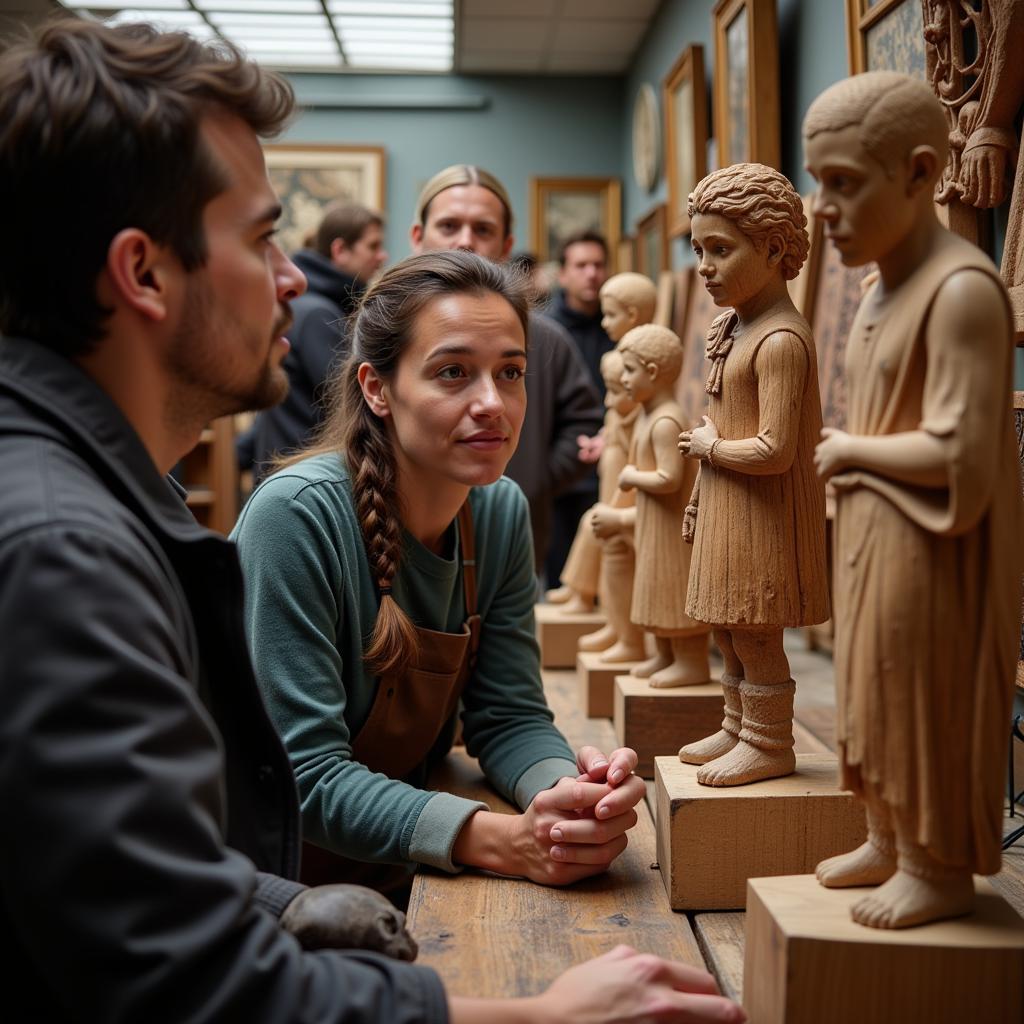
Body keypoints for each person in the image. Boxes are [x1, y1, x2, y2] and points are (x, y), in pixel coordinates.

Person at [0, 17, 748, 1024]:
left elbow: (143, 889)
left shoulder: (102, 505)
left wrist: (552, 788)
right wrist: (537, 1008)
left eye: (509, 373)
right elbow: (180, 969)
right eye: (264, 238)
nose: (296, 278)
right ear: (143, 272)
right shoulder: (64, 549)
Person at [232, 249, 648, 898]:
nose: (492, 403)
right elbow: (301, 774)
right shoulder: (295, 519)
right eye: (453, 372)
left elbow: (508, 714)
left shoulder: (500, 512)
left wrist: (566, 794)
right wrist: (501, 840)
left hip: (401, 869)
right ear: (377, 389)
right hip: (269, 888)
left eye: (510, 372)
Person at [805, 71, 1021, 930]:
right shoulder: (874, 291)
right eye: (818, 183)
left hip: (936, 545)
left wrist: (853, 449)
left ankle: (936, 864)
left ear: (923, 173)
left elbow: (959, 448)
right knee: (871, 688)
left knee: (923, 692)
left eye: (845, 183)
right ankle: (886, 837)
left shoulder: (964, 291)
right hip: (874, 531)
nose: (825, 208)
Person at [676, 163, 829, 788]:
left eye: (721, 249)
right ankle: (737, 725)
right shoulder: (732, 328)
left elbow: (775, 450)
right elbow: (716, 419)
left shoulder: (781, 341)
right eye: (698, 250)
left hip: (763, 512)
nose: (705, 266)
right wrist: (696, 496)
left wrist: (710, 453)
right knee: (727, 624)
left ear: (772, 248)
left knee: (756, 629)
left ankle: (769, 742)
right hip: (726, 505)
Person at [409, 164, 603, 575]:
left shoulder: (547, 340)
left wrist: (534, 479)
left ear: (505, 244)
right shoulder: (389, 332)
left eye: (482, 229)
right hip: (404, 550)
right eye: (448, 226)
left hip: (515, 550)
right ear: (418, 238)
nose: (465, 241)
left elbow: (584, 422)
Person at [239, 201, 388, 479]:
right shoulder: (319, 315)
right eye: (373, 246)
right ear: (340, 250)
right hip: (305, 480)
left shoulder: (304, 307)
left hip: (286, 473)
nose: (382, 255)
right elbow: (351, 403)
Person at [545, 230, 615, 585]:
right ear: (563, 274)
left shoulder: (620, 327)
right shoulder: (544, 330)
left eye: (598, 265)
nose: (591, 273)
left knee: (608, 577)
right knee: (561, 582)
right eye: (582, 265)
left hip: (612, 467)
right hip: (557, 474)